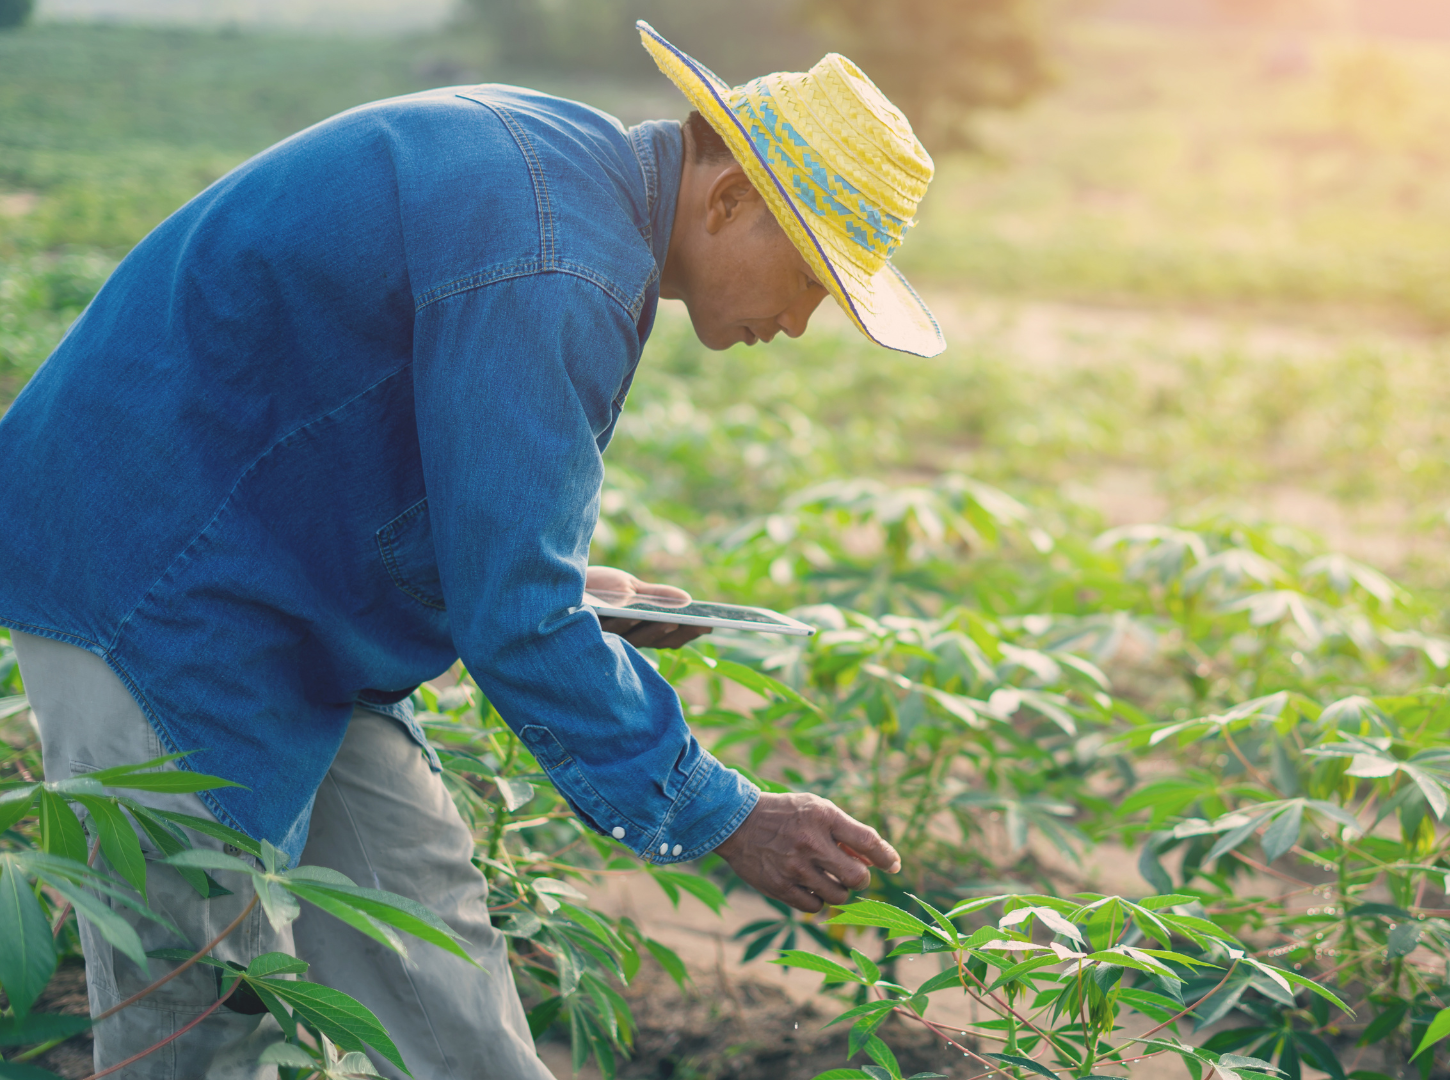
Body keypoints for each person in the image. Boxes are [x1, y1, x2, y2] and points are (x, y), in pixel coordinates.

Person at [0, 21, 943, 1080]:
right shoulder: (562, 260)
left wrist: (568, 587)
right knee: (204, 1010)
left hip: (278, 582)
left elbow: (387, 451)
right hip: (154, 581)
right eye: (814, 278)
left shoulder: (568, 183)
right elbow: (516, 619)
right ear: (728, 202)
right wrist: (723, 812)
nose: (803, 321)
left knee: (432, 963)